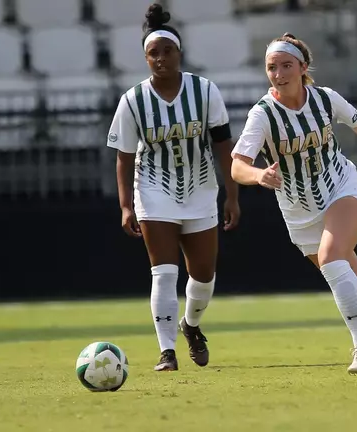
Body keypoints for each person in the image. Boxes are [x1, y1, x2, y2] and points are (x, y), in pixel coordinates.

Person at [230, 33, 357, 377]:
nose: (279, 74)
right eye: (272, 67)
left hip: (342, 188)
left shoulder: (325, 99)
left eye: (286, 65)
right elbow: (238, 165)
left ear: (303, 67)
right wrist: (258, 176)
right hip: (298, 210)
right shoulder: (263, 115)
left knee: (331, 257)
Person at [107, 3, 240, 372]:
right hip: (153, 190)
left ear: (180, 52)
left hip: (200, 189)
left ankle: (191, 325)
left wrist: (232, 195)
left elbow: (223, 146)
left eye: (168, 51)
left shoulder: (204, 91)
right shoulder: (133, 101)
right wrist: (126, 205)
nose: (162, 58)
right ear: (145, 59)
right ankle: (167, 351)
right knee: (164, 274)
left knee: (203, 275)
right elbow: (124, 156)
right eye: (154, 53)